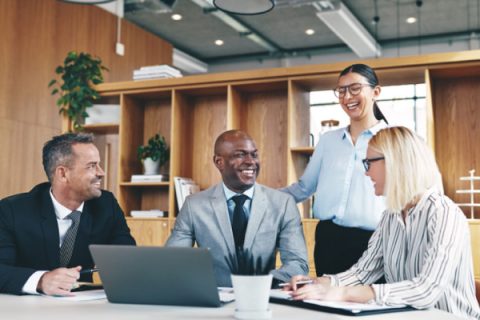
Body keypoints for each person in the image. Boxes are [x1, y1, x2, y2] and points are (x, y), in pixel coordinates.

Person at [286, 127, 480, 320]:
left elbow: (426, 290)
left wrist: (343, 293)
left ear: (395, 162)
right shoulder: (390, 217)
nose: (366, 173)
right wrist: (318, 283)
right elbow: (363, 272)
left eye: (368, 163)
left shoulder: (444, 213)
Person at [281, 64, 388, 276]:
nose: (348, 96)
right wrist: (261, 198)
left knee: (370, 303)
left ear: (376, 92)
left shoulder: (392, 139)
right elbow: (303, 188)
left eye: (355, 88)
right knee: (325, 303)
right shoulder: (328, 141)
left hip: (376, 241)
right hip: (329, 241)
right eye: (341, 90)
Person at [166, 130, 309, 287]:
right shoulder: (194, 206)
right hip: (213, 299)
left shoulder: (283, 204)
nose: (250, 162)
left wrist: (264, 283)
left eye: (254, 155)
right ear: (219, 162)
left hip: (263, 298)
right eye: (240, 155)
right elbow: (173, 260)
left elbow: (297, 263)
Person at [0, 133, 136, 296]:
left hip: (83, 306)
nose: (101, 172)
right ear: (62, 173)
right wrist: (42, 280)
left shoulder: (106, 205)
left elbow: (128, 261)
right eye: (91, 166)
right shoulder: (11, 210)